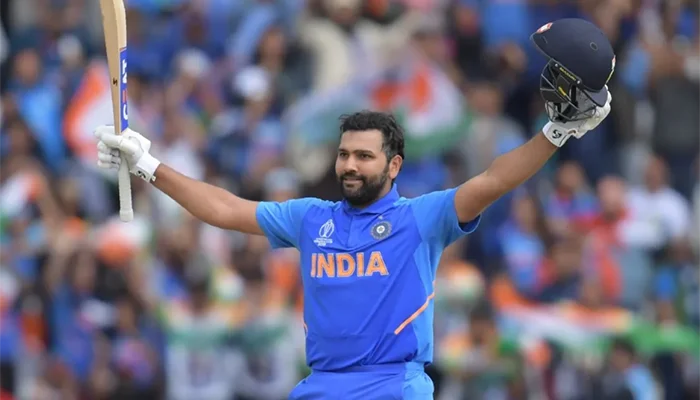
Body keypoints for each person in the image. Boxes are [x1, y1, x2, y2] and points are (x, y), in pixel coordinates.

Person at [93, 18, 614, 400]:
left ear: (393, 166)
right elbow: (225, 209)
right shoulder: (311, 218)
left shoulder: (421, 218)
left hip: (394, 385)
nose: (350, 165)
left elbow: (494, 179)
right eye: (344, 154)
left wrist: (555, 133)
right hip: (319, 387)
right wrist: (148, 164)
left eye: (364, 156)